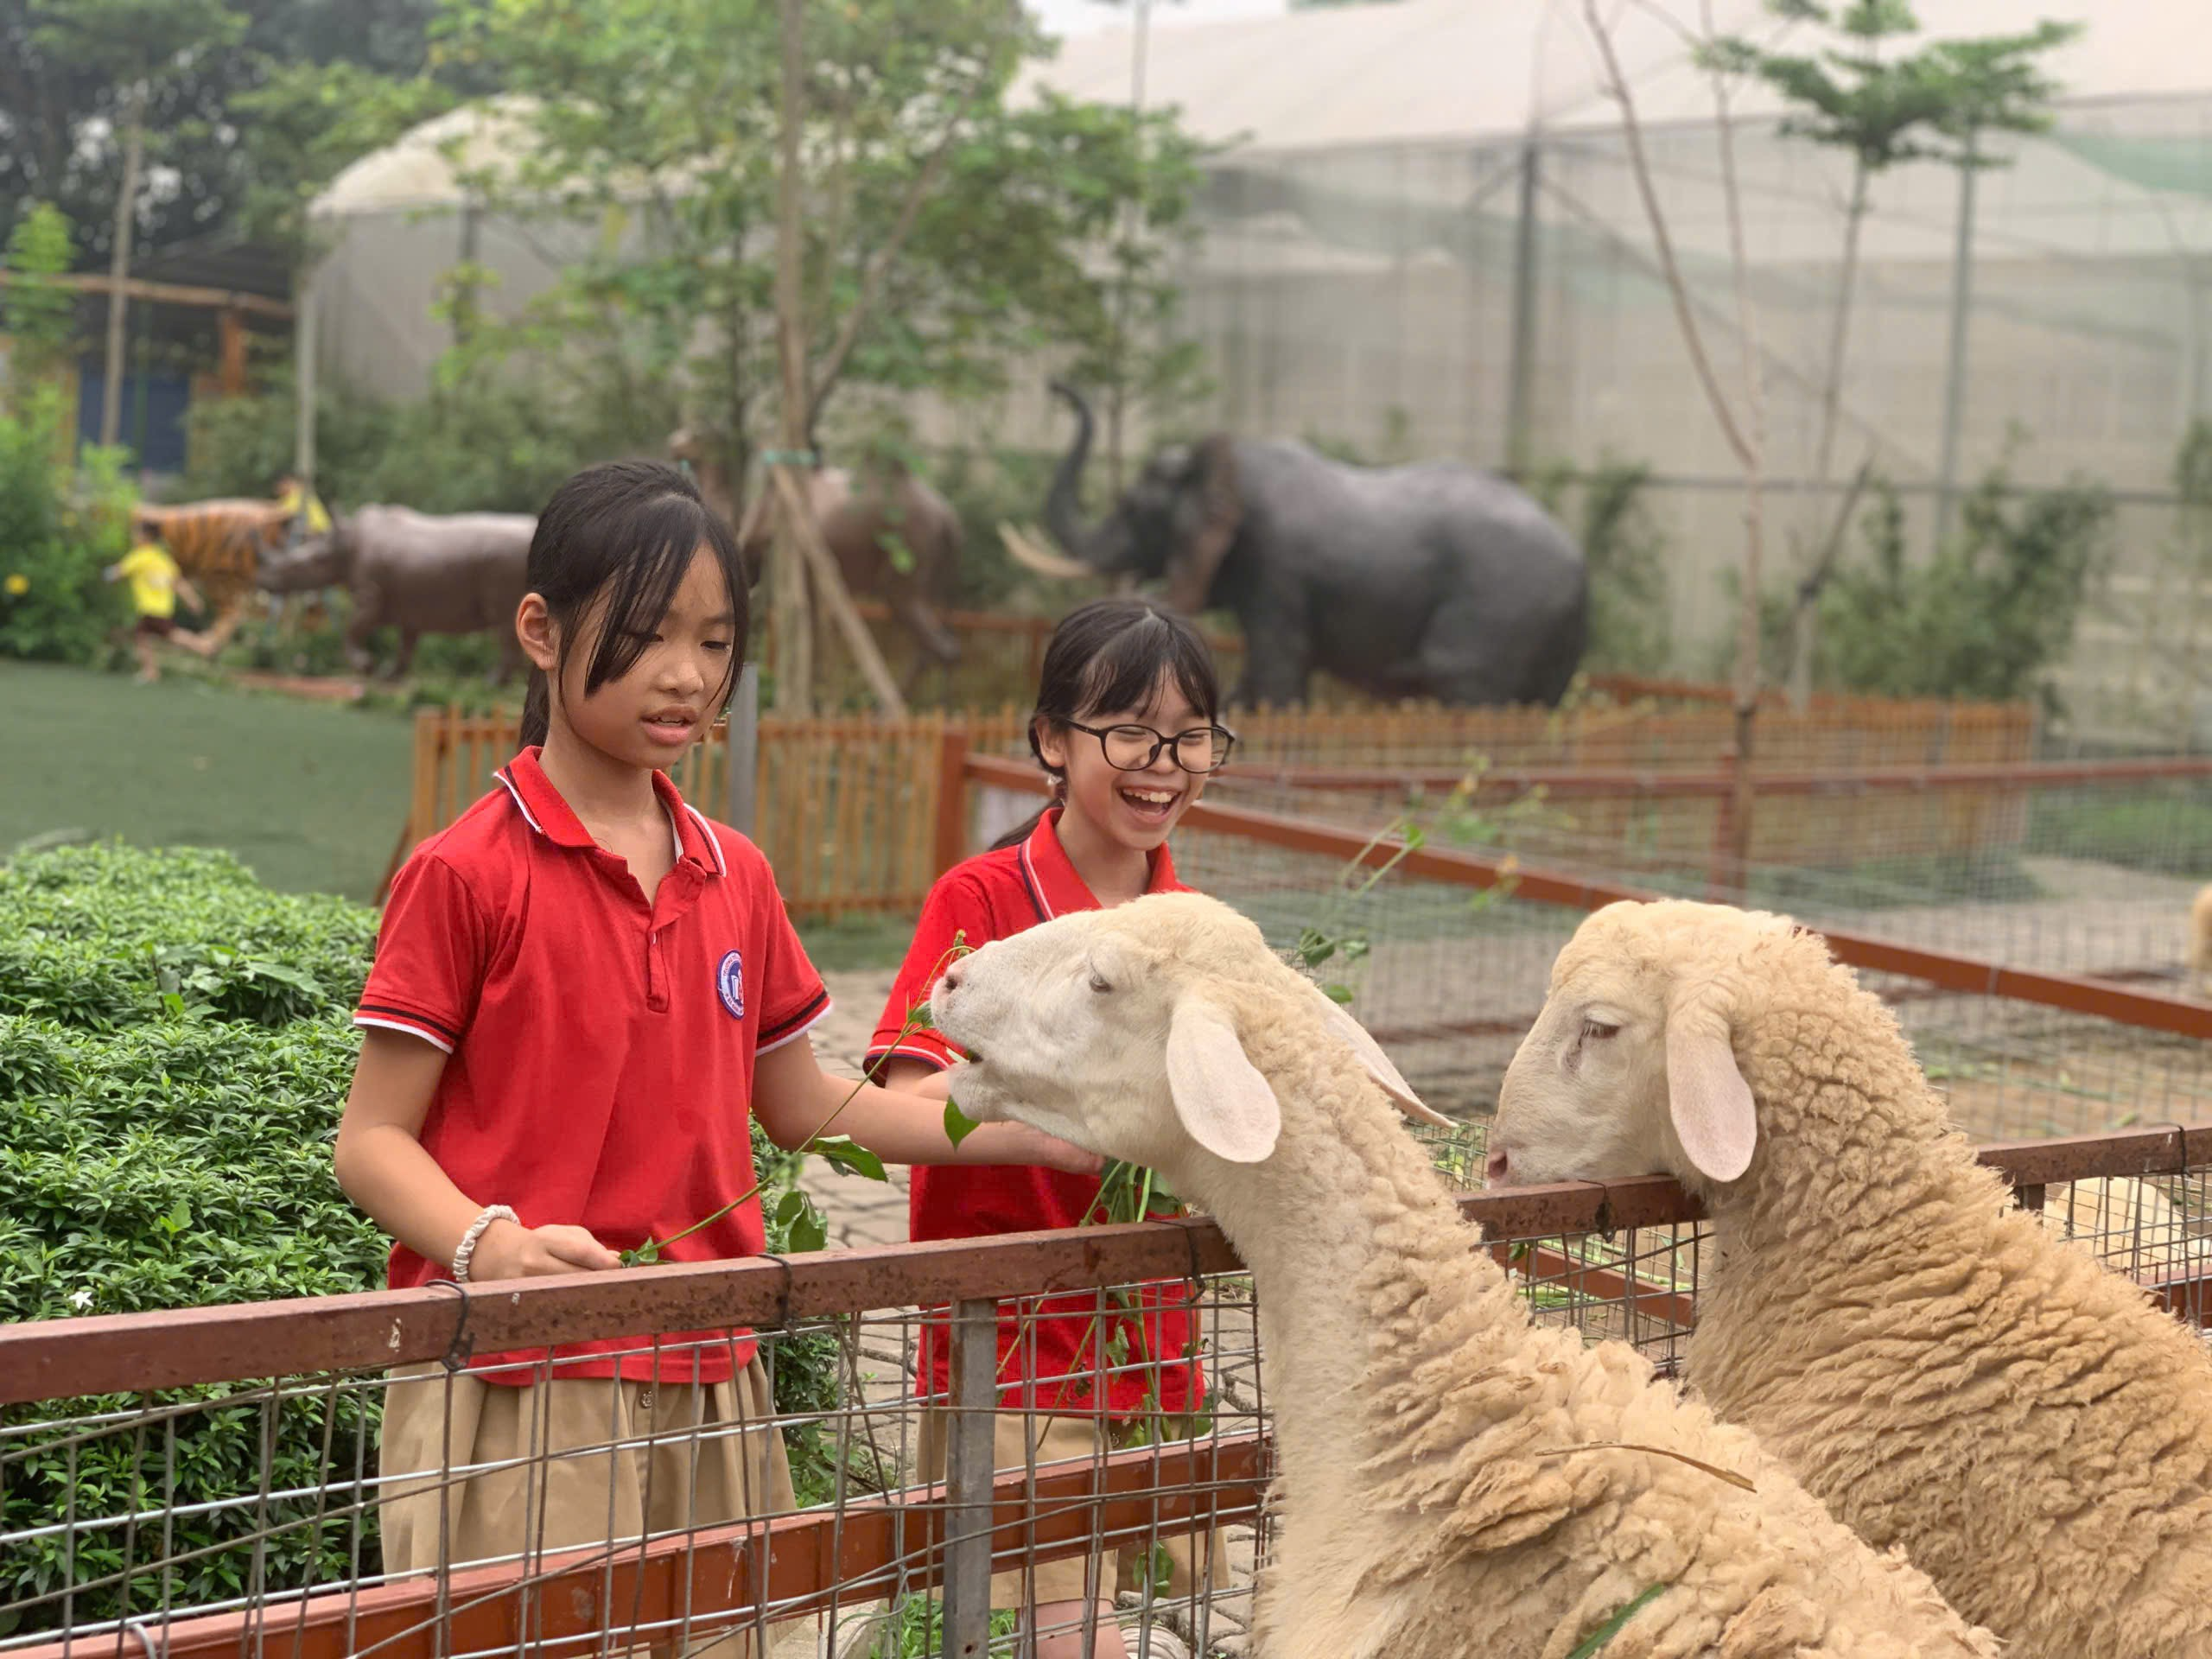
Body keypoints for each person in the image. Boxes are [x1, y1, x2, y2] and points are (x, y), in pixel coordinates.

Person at [333, 458, 1096, 1659]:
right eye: (643, 638)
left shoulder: (734, 874)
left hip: (713, 1369)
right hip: (521, 1378)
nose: (686, 675)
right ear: (540, 630)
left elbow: (807, 1102)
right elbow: (371, 1141)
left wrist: (1026, 1122)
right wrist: (492, 1244)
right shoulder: (462, 872)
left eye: (714, 639)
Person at [869, 595, 1239, 1659]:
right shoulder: (983, 903)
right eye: (1128, 729)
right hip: (1016, 1347)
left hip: (1154, 1344)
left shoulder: (1195, 930)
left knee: (1164, 1620)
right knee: (1070, 1636)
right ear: (1050, 740)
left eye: (1190, 734)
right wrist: (1050, 1131)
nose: (1161, 761)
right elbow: (899, 1108)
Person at [105, 511, 215, 683]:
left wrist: (105, 574)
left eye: (136, 533)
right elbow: (178, 583)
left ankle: (202, 646)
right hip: (162, 607)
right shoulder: (164, 559)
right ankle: (151, 671)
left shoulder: (140, 556)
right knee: (143, 636)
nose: (134, 537)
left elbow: (118, 572)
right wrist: (193, 600)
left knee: (169, 635)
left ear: (145, 537)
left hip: (150, 607)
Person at [273, 472, 332, 545]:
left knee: (293, 532)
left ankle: (292, 552)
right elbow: (276, 507)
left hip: (318, 532)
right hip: (314, 531)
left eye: (278, 487)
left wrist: (263, 517)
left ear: (286, 483)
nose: (277, 490)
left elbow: (285, 513)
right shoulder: (292, 495)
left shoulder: (297, 493)